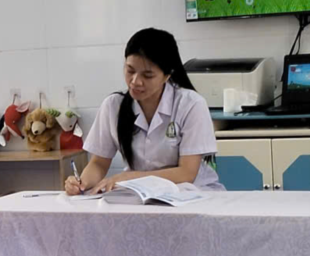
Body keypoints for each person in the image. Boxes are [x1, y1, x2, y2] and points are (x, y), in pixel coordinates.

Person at [64, 27, 222, 194]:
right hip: (140, 196)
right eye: (130, 70)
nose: (135, 81)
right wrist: (81, 183)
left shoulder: (191, 104)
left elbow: (186, 173)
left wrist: (131, 178)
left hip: (193, 194)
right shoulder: (113, 106)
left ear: (167, 75)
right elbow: (99, 163)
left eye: (147, 75)